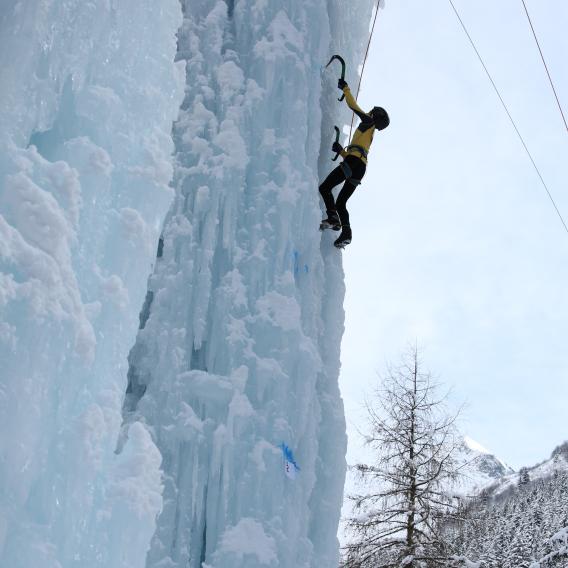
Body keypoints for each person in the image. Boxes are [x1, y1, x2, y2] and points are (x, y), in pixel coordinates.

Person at [319, 78, 390, 248]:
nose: (369, 111)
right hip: (360, 167)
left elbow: (353, 106)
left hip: (353, 162)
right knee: (341, 202)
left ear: (375, 115)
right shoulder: (369, 133)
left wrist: (345, 88)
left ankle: (333, 218)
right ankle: (346, 233)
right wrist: (341, 152)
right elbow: (357, 154)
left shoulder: (368, 122)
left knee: (325, 188)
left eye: (372, 111)